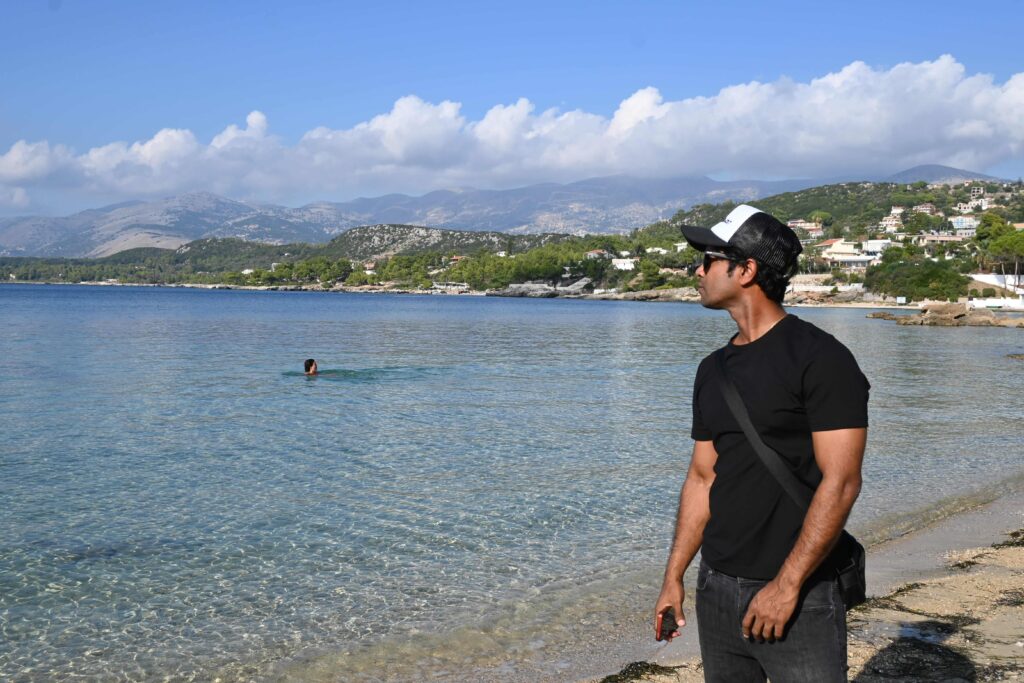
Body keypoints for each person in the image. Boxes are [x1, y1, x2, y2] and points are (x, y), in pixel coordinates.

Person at [654, 204, 869, 682]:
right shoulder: (713, 369)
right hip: (717, 587)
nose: (697, 271)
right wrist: (675, 577)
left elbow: (842, 482)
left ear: (746, 269)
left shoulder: (821, 359)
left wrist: (786, 586)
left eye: (707, 259)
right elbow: (702, 477)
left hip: (800, 594)